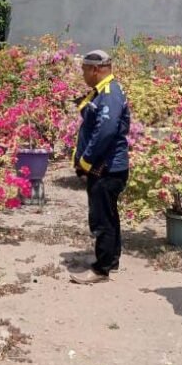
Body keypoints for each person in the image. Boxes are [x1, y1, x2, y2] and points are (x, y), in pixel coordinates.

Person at [70, 49, 131, 285]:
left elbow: (105, 132)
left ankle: (101, 269)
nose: (83, 74)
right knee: (109, 214)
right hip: (108, 166)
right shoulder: (105, 91)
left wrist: (85, 161)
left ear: (95, 69)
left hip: (105, 167)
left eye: (85, 70)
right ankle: (111, 258)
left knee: (101, 219)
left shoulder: (109, 93)